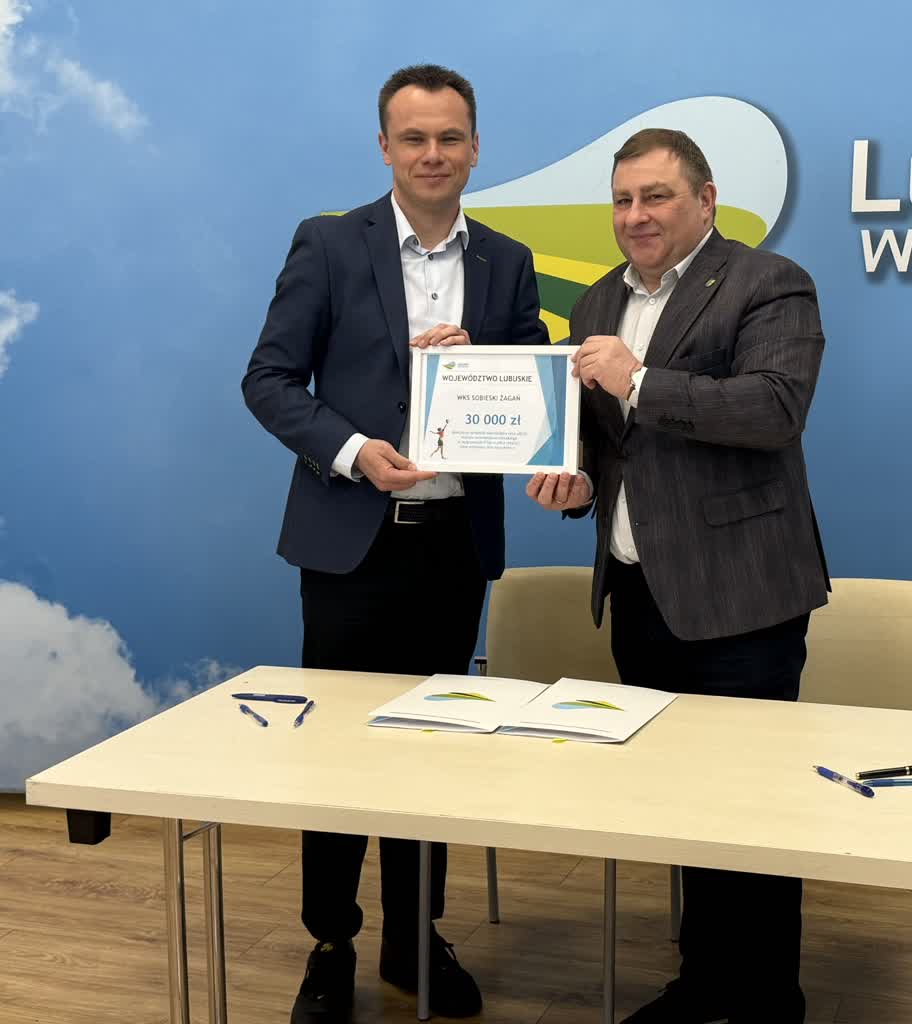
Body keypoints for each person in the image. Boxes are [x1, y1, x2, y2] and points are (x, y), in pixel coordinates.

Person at [243, 63, 548, 1023]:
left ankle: (416, 940)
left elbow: (531, 387)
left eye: (449, 137)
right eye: (413, 138)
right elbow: (269, 380)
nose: (431, 154)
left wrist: (487, 364)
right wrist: (352, 452)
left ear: (475, 147)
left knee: (433, 751)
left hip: (453, 547)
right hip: (350, 545)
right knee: (337, 756)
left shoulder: (507, 259)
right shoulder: (330, 243)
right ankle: (330, 941)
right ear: (384, 147)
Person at [527, 128, 829, 1024]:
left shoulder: (768, 282)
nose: (636, 216)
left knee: (752, 812)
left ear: (705, 199)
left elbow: (774, 409)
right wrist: (576, 486)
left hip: (742, 598)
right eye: (622, 200)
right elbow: (608, 447)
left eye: (655, 196)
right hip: (639, 596)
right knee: (684, 807)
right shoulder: (594, 301)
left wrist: (639, 380)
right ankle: (704, 986)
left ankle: (766, 1001)